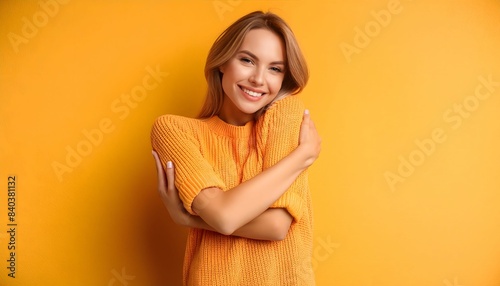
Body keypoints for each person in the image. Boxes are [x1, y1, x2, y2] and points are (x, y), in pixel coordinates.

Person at [151, 11, 321, 286]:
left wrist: (190, 219)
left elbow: (276, 226)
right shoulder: (175, 131)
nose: (258, 79)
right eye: (247, 60)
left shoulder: (285, 116)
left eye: (275, 69)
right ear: (222, 63)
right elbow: (224, 216)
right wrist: (302, 157)